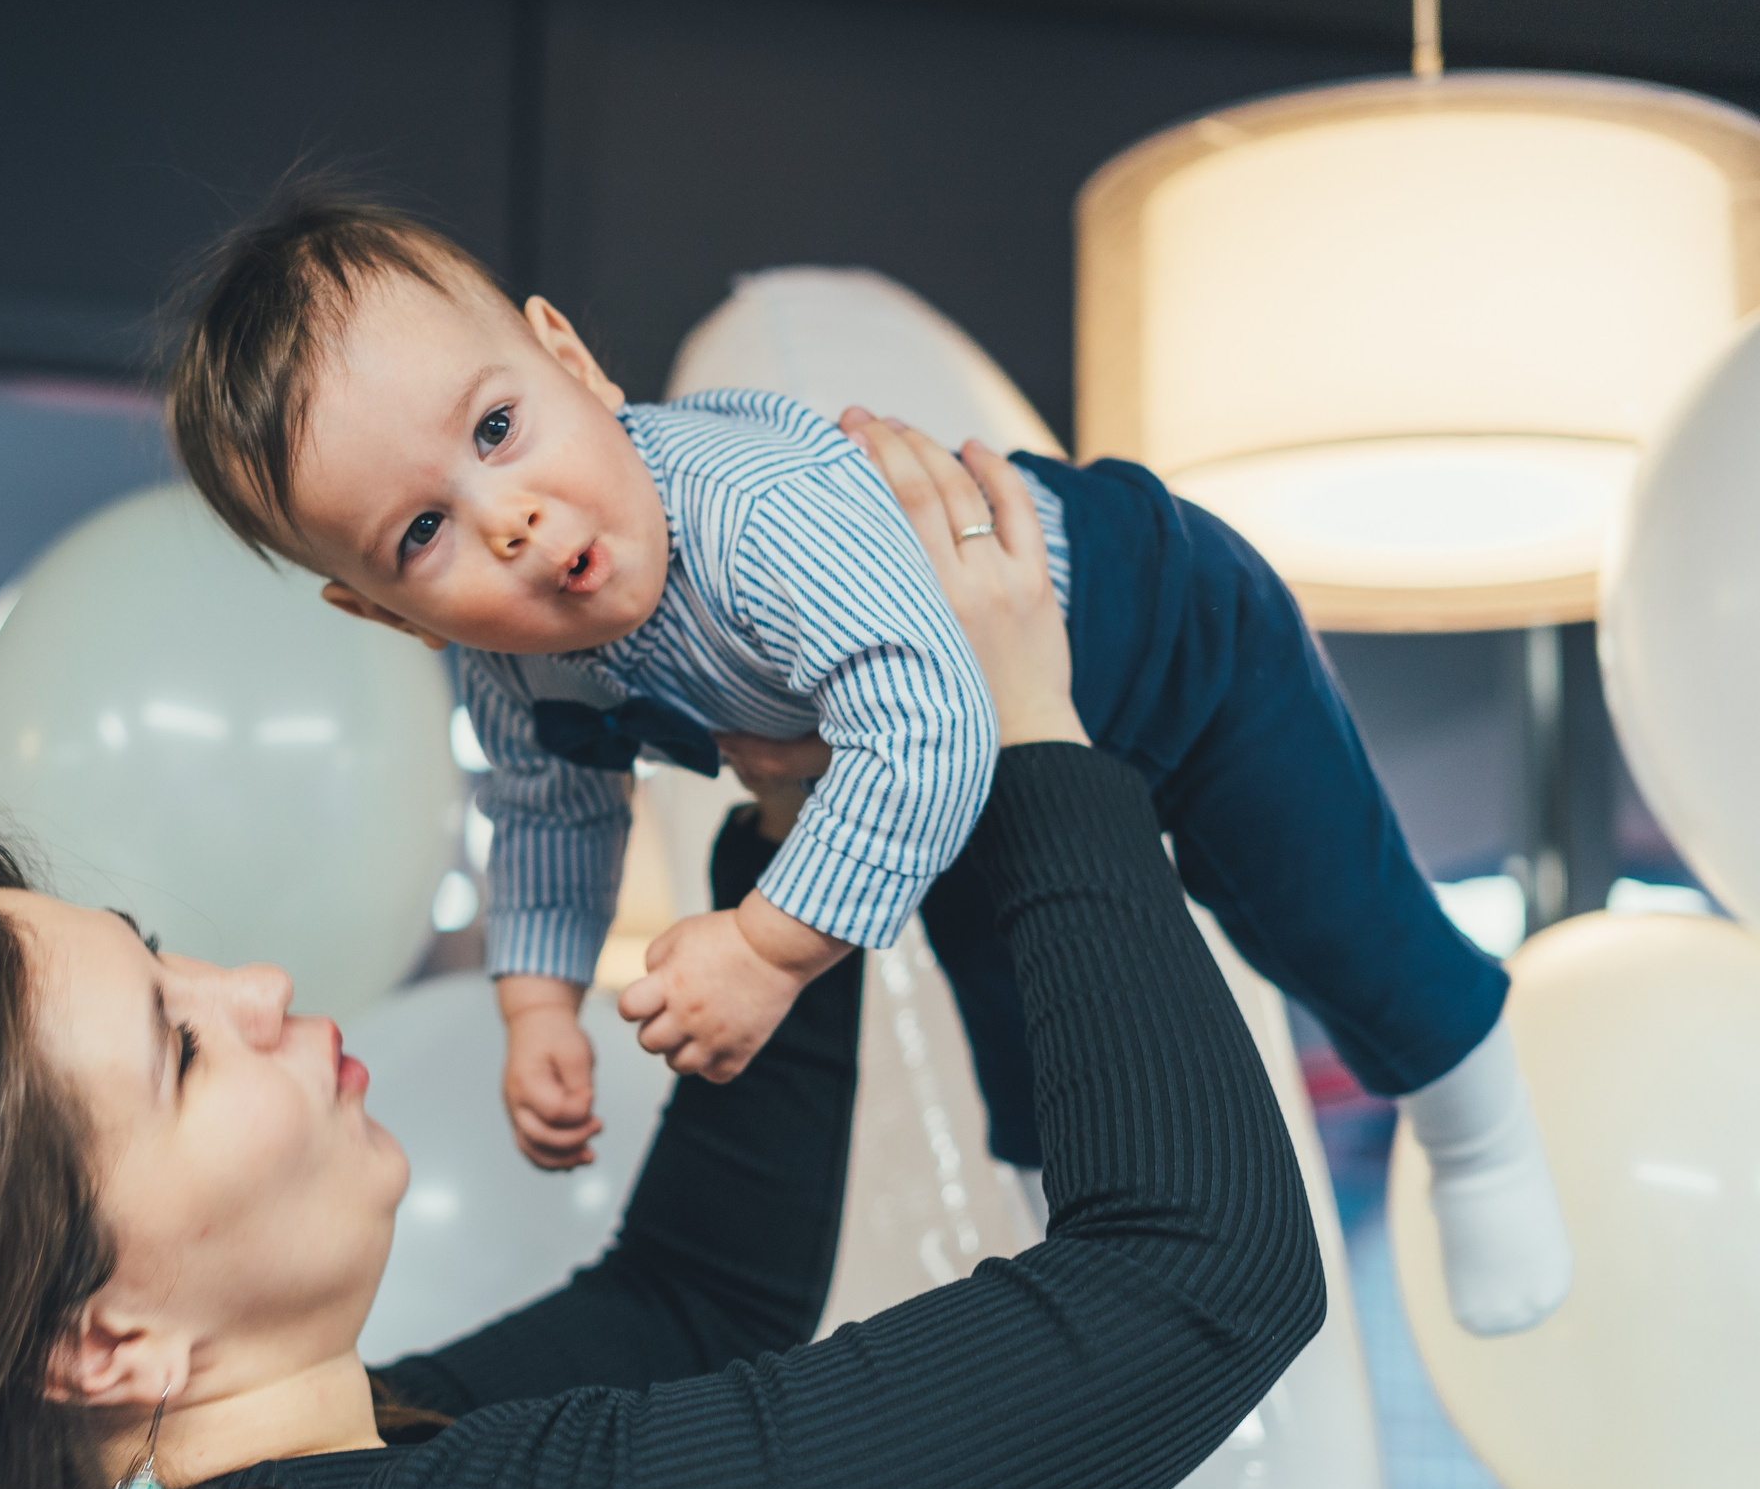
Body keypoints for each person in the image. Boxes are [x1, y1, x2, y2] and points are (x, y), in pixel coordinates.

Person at [0, 433, 1323, 1489]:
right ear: (101, 1346)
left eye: (165, 953)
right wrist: (1023, 726)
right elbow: (1195, 1275)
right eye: (173, 1050)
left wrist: (799, 854)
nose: (251, 990)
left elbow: (693, 1303)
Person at [162, 192, 1568, 1337]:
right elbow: (546, 808)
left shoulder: (757, 516)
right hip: (951, 792)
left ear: (571, 361)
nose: (512, 522)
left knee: (1317, 898)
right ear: (379, 609)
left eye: (497, 429)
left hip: (1156, 640)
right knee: (1026, 1016)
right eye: (423, 535)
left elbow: (930, 720)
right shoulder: (511, 659)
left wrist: (768, 951)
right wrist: (539, 1007)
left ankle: (1473, 1105)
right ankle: (1077, 1250)